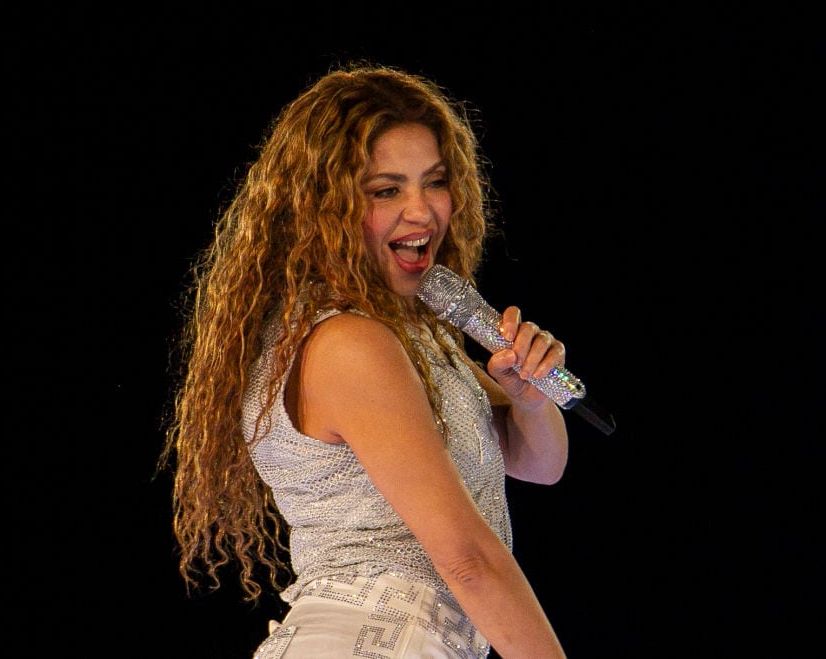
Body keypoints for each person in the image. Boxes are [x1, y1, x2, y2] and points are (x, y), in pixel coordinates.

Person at [159, 63, 570, 658]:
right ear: (324, 208)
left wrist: (529, 396)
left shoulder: (405, 328)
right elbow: (468, 560)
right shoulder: (349, 345)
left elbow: (539, 466)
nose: (422, 212)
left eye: (434, 182)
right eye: (386, 190)